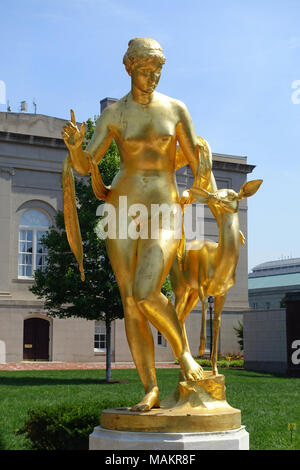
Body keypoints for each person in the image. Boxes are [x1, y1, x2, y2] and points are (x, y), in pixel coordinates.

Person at [62, 37, 216, 411]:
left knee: (147, 291)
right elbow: (88, 165)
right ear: (129, 67)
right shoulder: (114, 115)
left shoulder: (176, 109)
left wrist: (204, 195)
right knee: (131, 302)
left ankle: (186, 362)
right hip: (122, 208)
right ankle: (149, 389)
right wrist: (76, 150)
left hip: (164, 208)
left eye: (158, 70)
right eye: (146, 70)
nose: (153, 77)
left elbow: (198, 163)